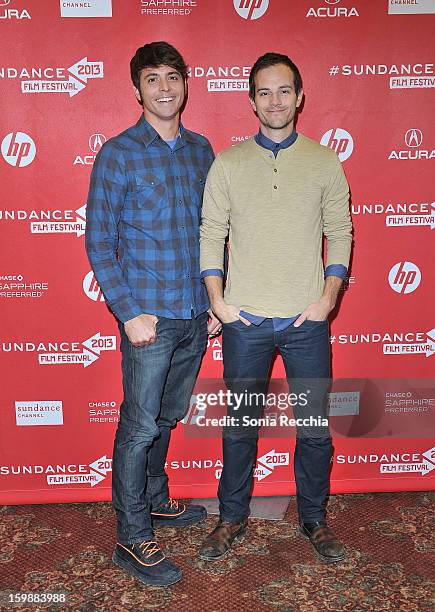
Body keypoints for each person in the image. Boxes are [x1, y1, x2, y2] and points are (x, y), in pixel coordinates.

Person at [199, 52, 352, 564]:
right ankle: (231, 517)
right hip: (246, 323)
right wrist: (218, 300)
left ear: (300, 96)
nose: (275, 101)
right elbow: (211, 234)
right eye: (264, 92)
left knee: (313, 429)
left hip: (306, 323)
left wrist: (328, 298)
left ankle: (313, 518)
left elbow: (340, 231)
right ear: (251, 101)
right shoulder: (229, 163)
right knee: (239, 426)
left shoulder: (324, 161)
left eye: (284, 90)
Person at [85, 41, 219, 587]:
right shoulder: (117, 154)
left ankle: (157, 500)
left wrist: (215, 300)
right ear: (136, 89)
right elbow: (99, 241)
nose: (165, 88)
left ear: (186, 83)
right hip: (149, 319)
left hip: (193, 314)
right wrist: (129, 312)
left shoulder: (201, 150)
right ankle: (131, 536)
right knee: (139, 426)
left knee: (168, 416)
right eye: (153, 79)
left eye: (173, 77)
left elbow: (215, 233)